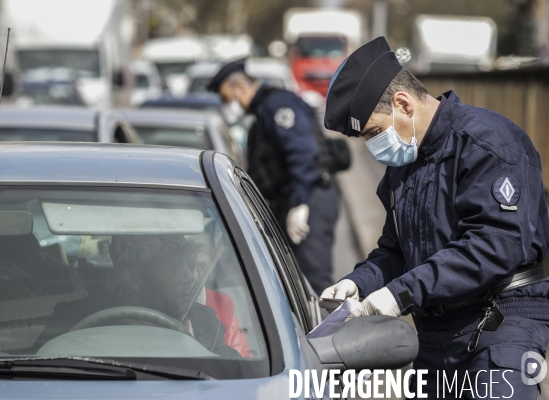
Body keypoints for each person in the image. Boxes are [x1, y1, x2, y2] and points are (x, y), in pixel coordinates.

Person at [320, 37, 549, 399]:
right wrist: (358, 283)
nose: (374, 146)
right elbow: (396, 250)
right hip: (435, 333)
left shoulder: (487, 143)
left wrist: (399, 294)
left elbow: (494, 245)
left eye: (374, 133)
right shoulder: (404, 166)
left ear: (403, 103)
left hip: (498, 325)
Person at [208, 58, 342, 294]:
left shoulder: (277, 105)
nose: (225, 104)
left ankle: (333, 331)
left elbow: (303, 152)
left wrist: (300, 204)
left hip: (310, 198)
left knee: (315, 283)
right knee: (295, 286)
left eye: (225, 97)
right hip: (295, 199)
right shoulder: (262, 113)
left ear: (240, 87)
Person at [33, 234, 239, 358]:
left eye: (188, 264)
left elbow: (234, 380)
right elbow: (36, 372)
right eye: (172, 268)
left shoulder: (201, 321)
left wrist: (195, 350)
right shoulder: (72, 319)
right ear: (133, 278)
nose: (189, 277)